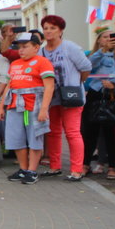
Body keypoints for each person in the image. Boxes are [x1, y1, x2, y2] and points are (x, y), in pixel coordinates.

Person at [38, 15, 92, 181]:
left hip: (71, 98)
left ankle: (76, 170)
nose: (48, 31)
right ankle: (55, 166)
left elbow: (86, 67)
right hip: (51, 97)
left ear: (60, 31)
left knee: (72, 133)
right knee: (53, 133)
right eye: (46, 28)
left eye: (52, 28)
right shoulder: (41, 50)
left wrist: (77, 83)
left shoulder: (70, 47)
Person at [0, 32, 55, 184]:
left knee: (34, 137)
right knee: (16, 138)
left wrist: (44, 109)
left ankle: (32, 170)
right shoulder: (15, 64)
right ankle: (23, 169)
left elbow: (49, 87)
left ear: (36, 47)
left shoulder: (43, 62)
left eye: (25, 47)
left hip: (33, 104)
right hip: (15, 104)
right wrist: (2, 106)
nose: (21, 50)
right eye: (19, 47)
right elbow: (9, 85)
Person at [81, 30, 115, 180]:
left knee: (110, 133)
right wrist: (103, 50)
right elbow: (87, 65)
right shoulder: (103, 55)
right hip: (95, 95)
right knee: (89, 132)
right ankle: (85, 164)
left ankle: (112, 167)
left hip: (113, 98)